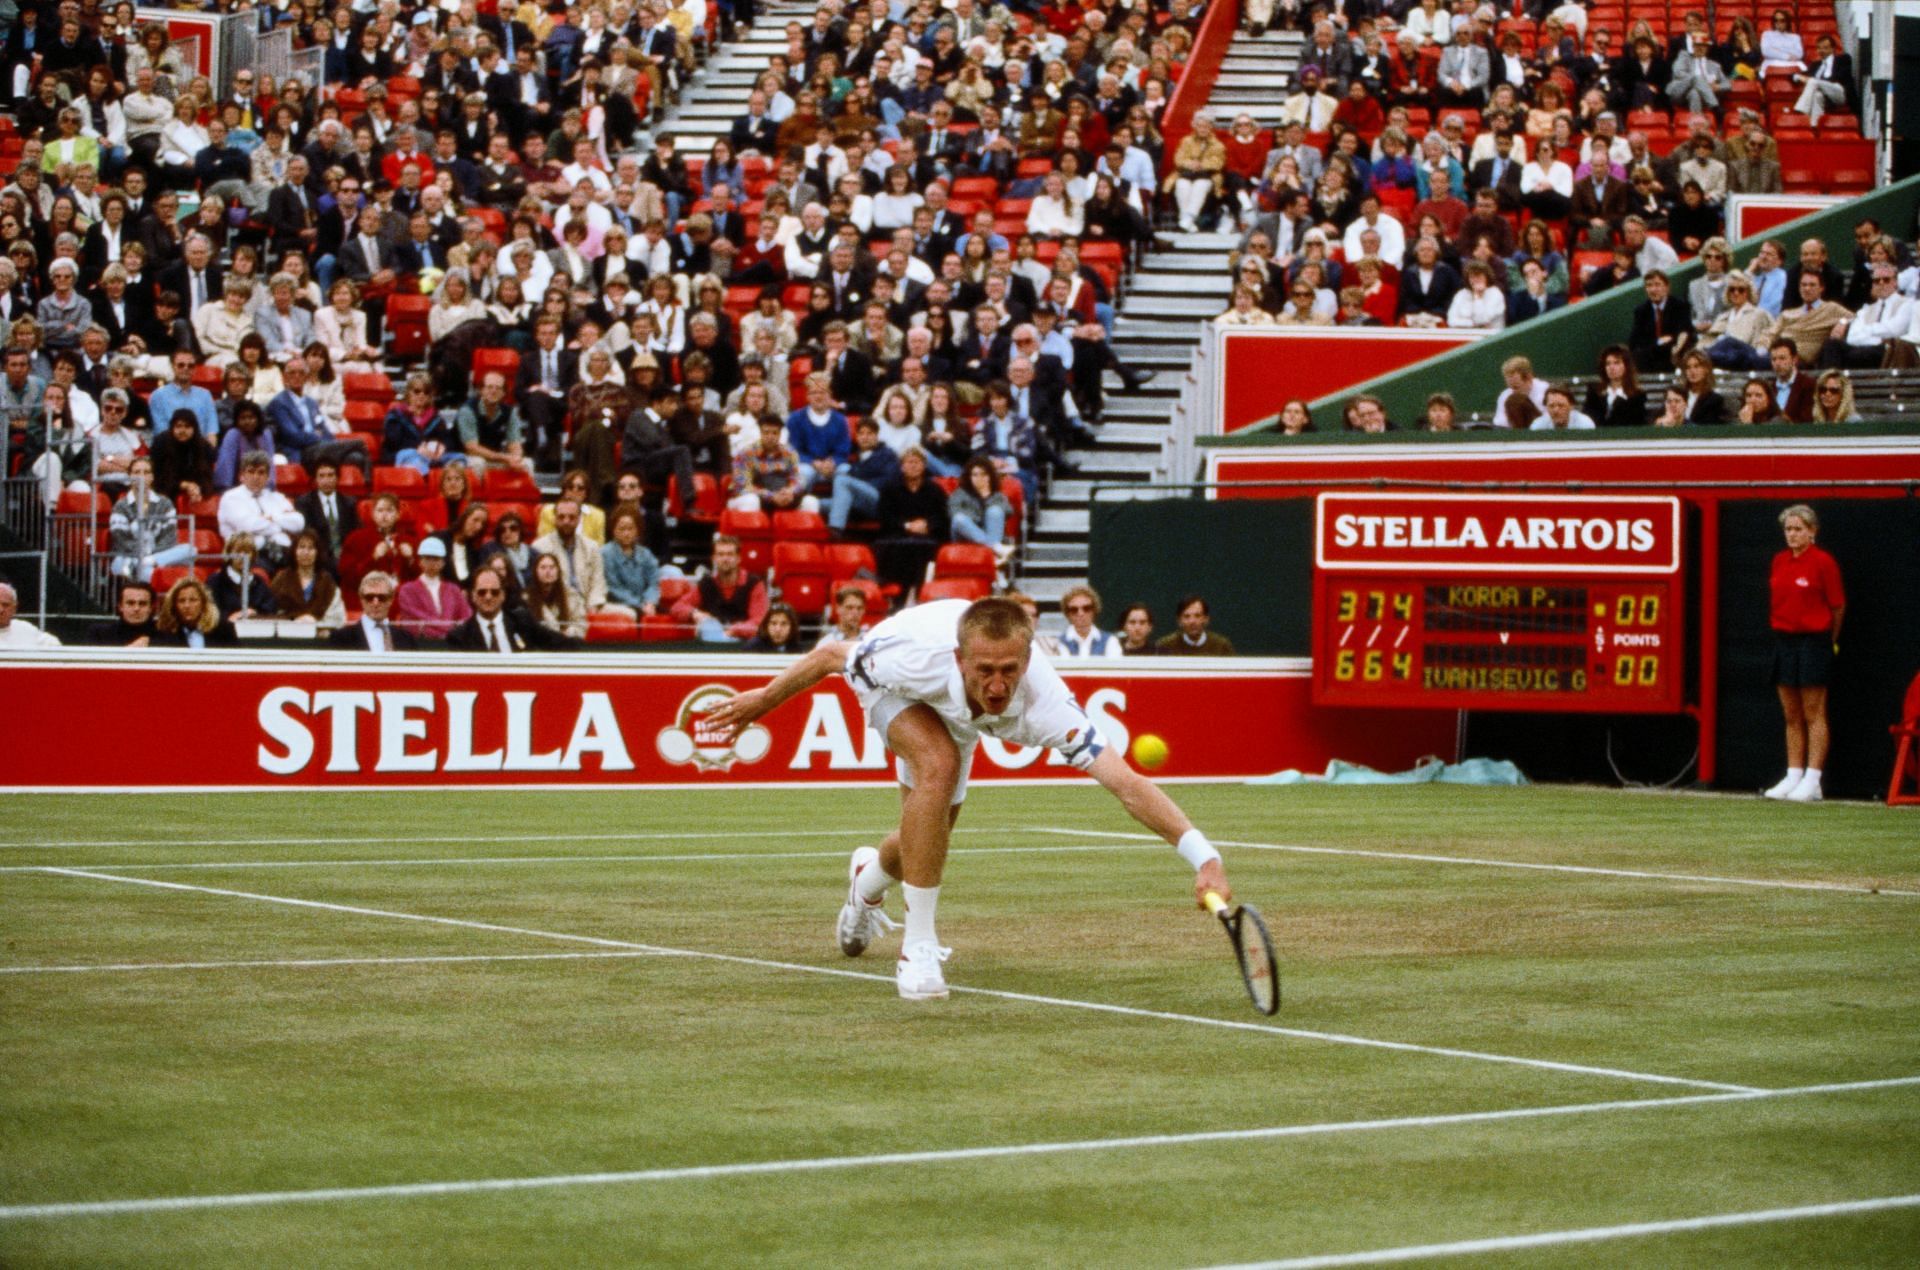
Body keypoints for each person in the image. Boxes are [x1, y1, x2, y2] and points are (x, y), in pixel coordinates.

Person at [704, 596, 1234, 1002]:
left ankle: (866, 884)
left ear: (1029, 658)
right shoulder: (912, 659)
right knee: (938, 765)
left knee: (927, 836)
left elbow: (1126, 784)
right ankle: (918, 949)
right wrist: (764, 700)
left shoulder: (1049, 705)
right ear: (962, 659)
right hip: (901, 692)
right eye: (984, 670)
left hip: (953, 710)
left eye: (1009, 669)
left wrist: (1204, 857)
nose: (998, 685)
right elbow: (828, 656)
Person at [1764, 504, 1844, 803]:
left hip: (1815, 641)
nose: (1793, 534)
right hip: (1784, 640)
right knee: (1791, 713)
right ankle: (1794, 774)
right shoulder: (1779, 561)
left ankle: (1813, 779)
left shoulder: (1823, 562)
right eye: (1788, 529)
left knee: (1814, 712)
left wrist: (1828, 641)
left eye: (1798, 529)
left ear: (1812, 532)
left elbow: (1837, 606)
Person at [446, 568, 582, 652]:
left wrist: (590, 647)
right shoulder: (460, 637)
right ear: (473, 596)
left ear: (503, 595)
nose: (488, 597)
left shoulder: (523, 622)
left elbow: (557, 643)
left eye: (494, 592)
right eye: (482, 592)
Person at [670, 535, 768, 643]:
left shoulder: (754, 583)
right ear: (714, 559)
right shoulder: (707, 584)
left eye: (730, 554)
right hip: (712, 645)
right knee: (707, 626)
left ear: (738, 558)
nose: (725, 559)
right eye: (720, 554)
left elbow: (759, 621)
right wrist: (695, 613)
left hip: (743, 645)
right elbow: (677, 607)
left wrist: (733, 631)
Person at [269, 530, 348, 626]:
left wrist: (316, 624)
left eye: (311, 548)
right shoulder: (281, 580)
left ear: (317, 552)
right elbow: (272, 612)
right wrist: (295, 621)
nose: (306, 552)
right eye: (302, 547)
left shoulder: (327, 582)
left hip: (320, 635)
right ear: (294, 550)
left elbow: (337, 617)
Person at [326, 572, 418, 652]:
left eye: (381, 598)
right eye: (369, 598)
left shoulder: (406, 639)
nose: (375, 603)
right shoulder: (341, 638)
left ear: (391, 600)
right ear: (361, 600)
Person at [154, 575, 237, 649]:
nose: (187, 605)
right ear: (174, 605)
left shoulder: (223, 630)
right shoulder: (165, 633)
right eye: (181, 601)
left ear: (203, 603)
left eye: (193, 600)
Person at [1057, 585, 1124, 658]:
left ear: (1094, 610)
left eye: (1086, 608)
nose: (1080, 613)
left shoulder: (1110, 641)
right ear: (1067, 614)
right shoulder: (1058, 643)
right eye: (1074, 610)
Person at [87, 580, 159, 647]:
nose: (136, 608)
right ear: (120, 606)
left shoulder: (165, 636)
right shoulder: (100, 634)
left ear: (151, 608)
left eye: (142, 604)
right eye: (130, 603)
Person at [1156, 595, 1236, 655]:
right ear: (1179, 621)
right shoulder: (1165, 646)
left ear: (1206, 619)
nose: (1192, 621)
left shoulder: (1221, 646)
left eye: (1197, 616)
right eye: (1186, 616)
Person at [0, 580, 60, 649]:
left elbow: (54, 644)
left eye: (5, 605)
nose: (1, 610)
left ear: (14, 608)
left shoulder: (25, 629)